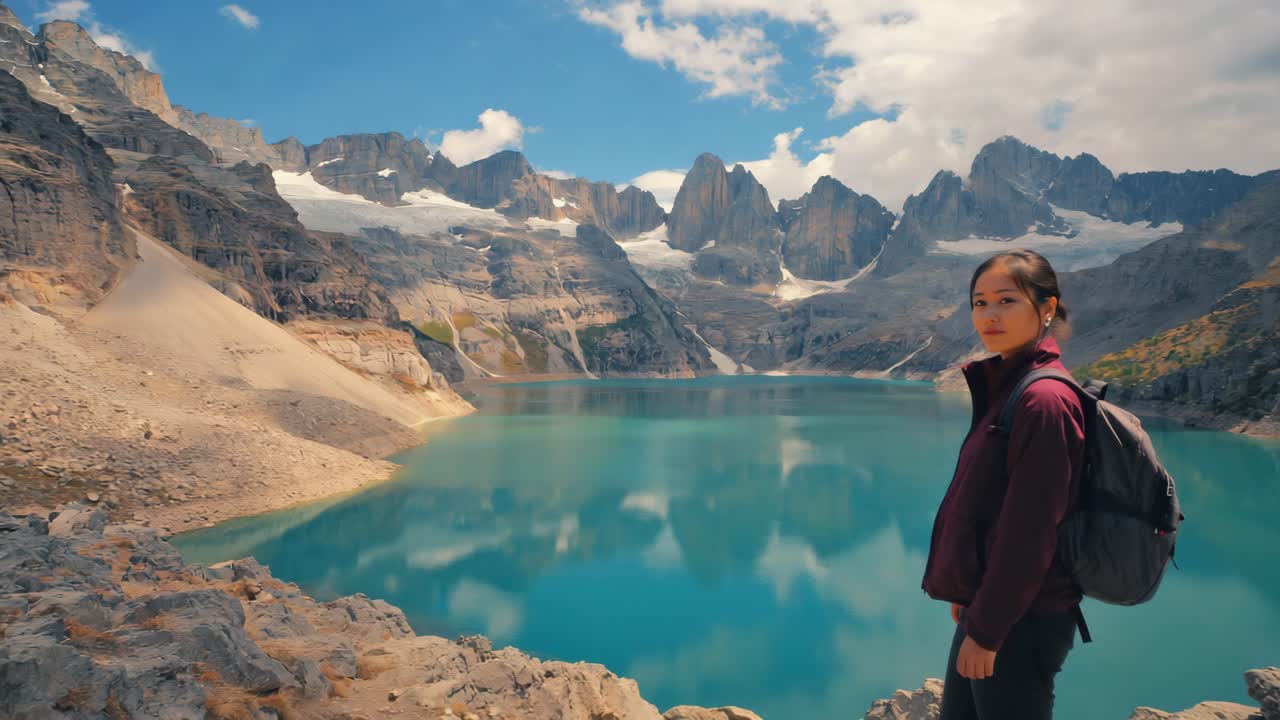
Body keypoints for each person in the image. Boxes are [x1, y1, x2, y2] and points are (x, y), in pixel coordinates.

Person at [921, 249, 1088, 720]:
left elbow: (1031, 532)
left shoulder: (1045, 400)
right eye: (979, 303)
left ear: (1047, 308)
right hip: (991, 606)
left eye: (1007, 301)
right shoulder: (1012, 386)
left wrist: (988, 630)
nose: (989, 315)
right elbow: (989, 507)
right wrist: (969, 592)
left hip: (1023, 619)